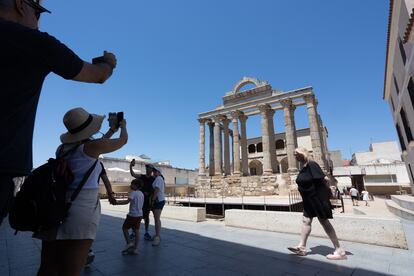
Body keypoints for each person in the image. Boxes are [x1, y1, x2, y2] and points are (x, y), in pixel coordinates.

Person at [0, 0, 117, 225]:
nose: (38, 21)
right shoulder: (33, 42)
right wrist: (109, 63)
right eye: (37, 13)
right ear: (20, 5)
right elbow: (97, 74)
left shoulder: (63, 150)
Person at [35, 107, 128, 276]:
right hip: (81, 209)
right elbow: (123, 141)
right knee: (72, 270)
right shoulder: (92, 147)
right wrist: (123, 126)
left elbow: (94, 145)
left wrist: (110, 130)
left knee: (47, 267)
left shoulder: (62, 149)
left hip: (57, 205)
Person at [287, 147, 346, 260]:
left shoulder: (312, 164)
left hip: (317, 199)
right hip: (308, 200)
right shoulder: (303, 167)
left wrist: (329, 192)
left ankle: (340, 251)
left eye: (297, 154)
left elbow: (325, 179)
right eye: (295, 155)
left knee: (324, 222)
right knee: (306, 221)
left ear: (303, 154)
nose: (296, 157)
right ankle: (302, 247)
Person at [115, 178, 144, 255]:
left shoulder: (133, 193)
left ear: (136, 185)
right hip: (139, 215)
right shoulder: (141, 193)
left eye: (132, 184)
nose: (131, 185)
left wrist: (117, 202)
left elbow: (127, 202)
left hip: (132, 215)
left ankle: (129, 243)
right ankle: (135, 249)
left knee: (124, 228)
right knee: (136, 231)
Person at [130, 160, 155, 241]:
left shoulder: (154, 179)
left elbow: (156, 188)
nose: (148, 169)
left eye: (149, 168)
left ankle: (146, 232)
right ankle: (134, 233)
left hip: (148, 201)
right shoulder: (142, 177)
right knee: (137, 217)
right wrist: (130, 166)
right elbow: (133, 174)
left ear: (152, 170)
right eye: (147, 168)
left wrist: (152, 198)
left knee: (146, 217)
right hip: (140, 200)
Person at [151, 166, 166, 246]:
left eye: (155, 171)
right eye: (153, 171)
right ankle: (157, 234)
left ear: (159, 172)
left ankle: (157, 237)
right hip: (158, 200)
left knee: (157, 219)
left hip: (158, 201)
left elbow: (157, 190)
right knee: (156, 218)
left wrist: (152, 200)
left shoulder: (159, 179)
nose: (153, 172)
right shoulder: (158, 178)